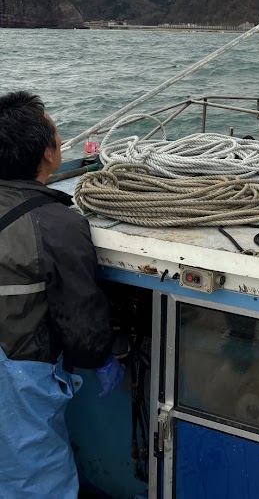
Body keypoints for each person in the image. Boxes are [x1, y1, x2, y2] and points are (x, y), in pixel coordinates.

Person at [0, 91, 124, 498]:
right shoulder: (56, 224)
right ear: (48, 155)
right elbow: (80, 316)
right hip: (16, 378)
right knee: (34, 475)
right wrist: (99, 359)